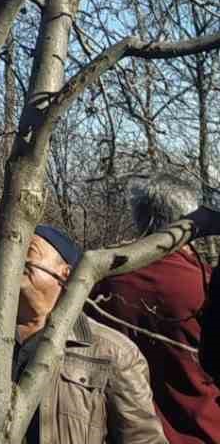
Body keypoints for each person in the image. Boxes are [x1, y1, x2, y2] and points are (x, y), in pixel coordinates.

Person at [0, 225, 167, 444]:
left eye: (28, 250)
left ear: (65, 274)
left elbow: (143, 439)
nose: (13, 257)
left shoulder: (112, 352)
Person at [92, 176, 220, 444]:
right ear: (191, 225)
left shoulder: (101, 284)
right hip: (204, 432)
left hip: (123, 434)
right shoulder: (204, 284)